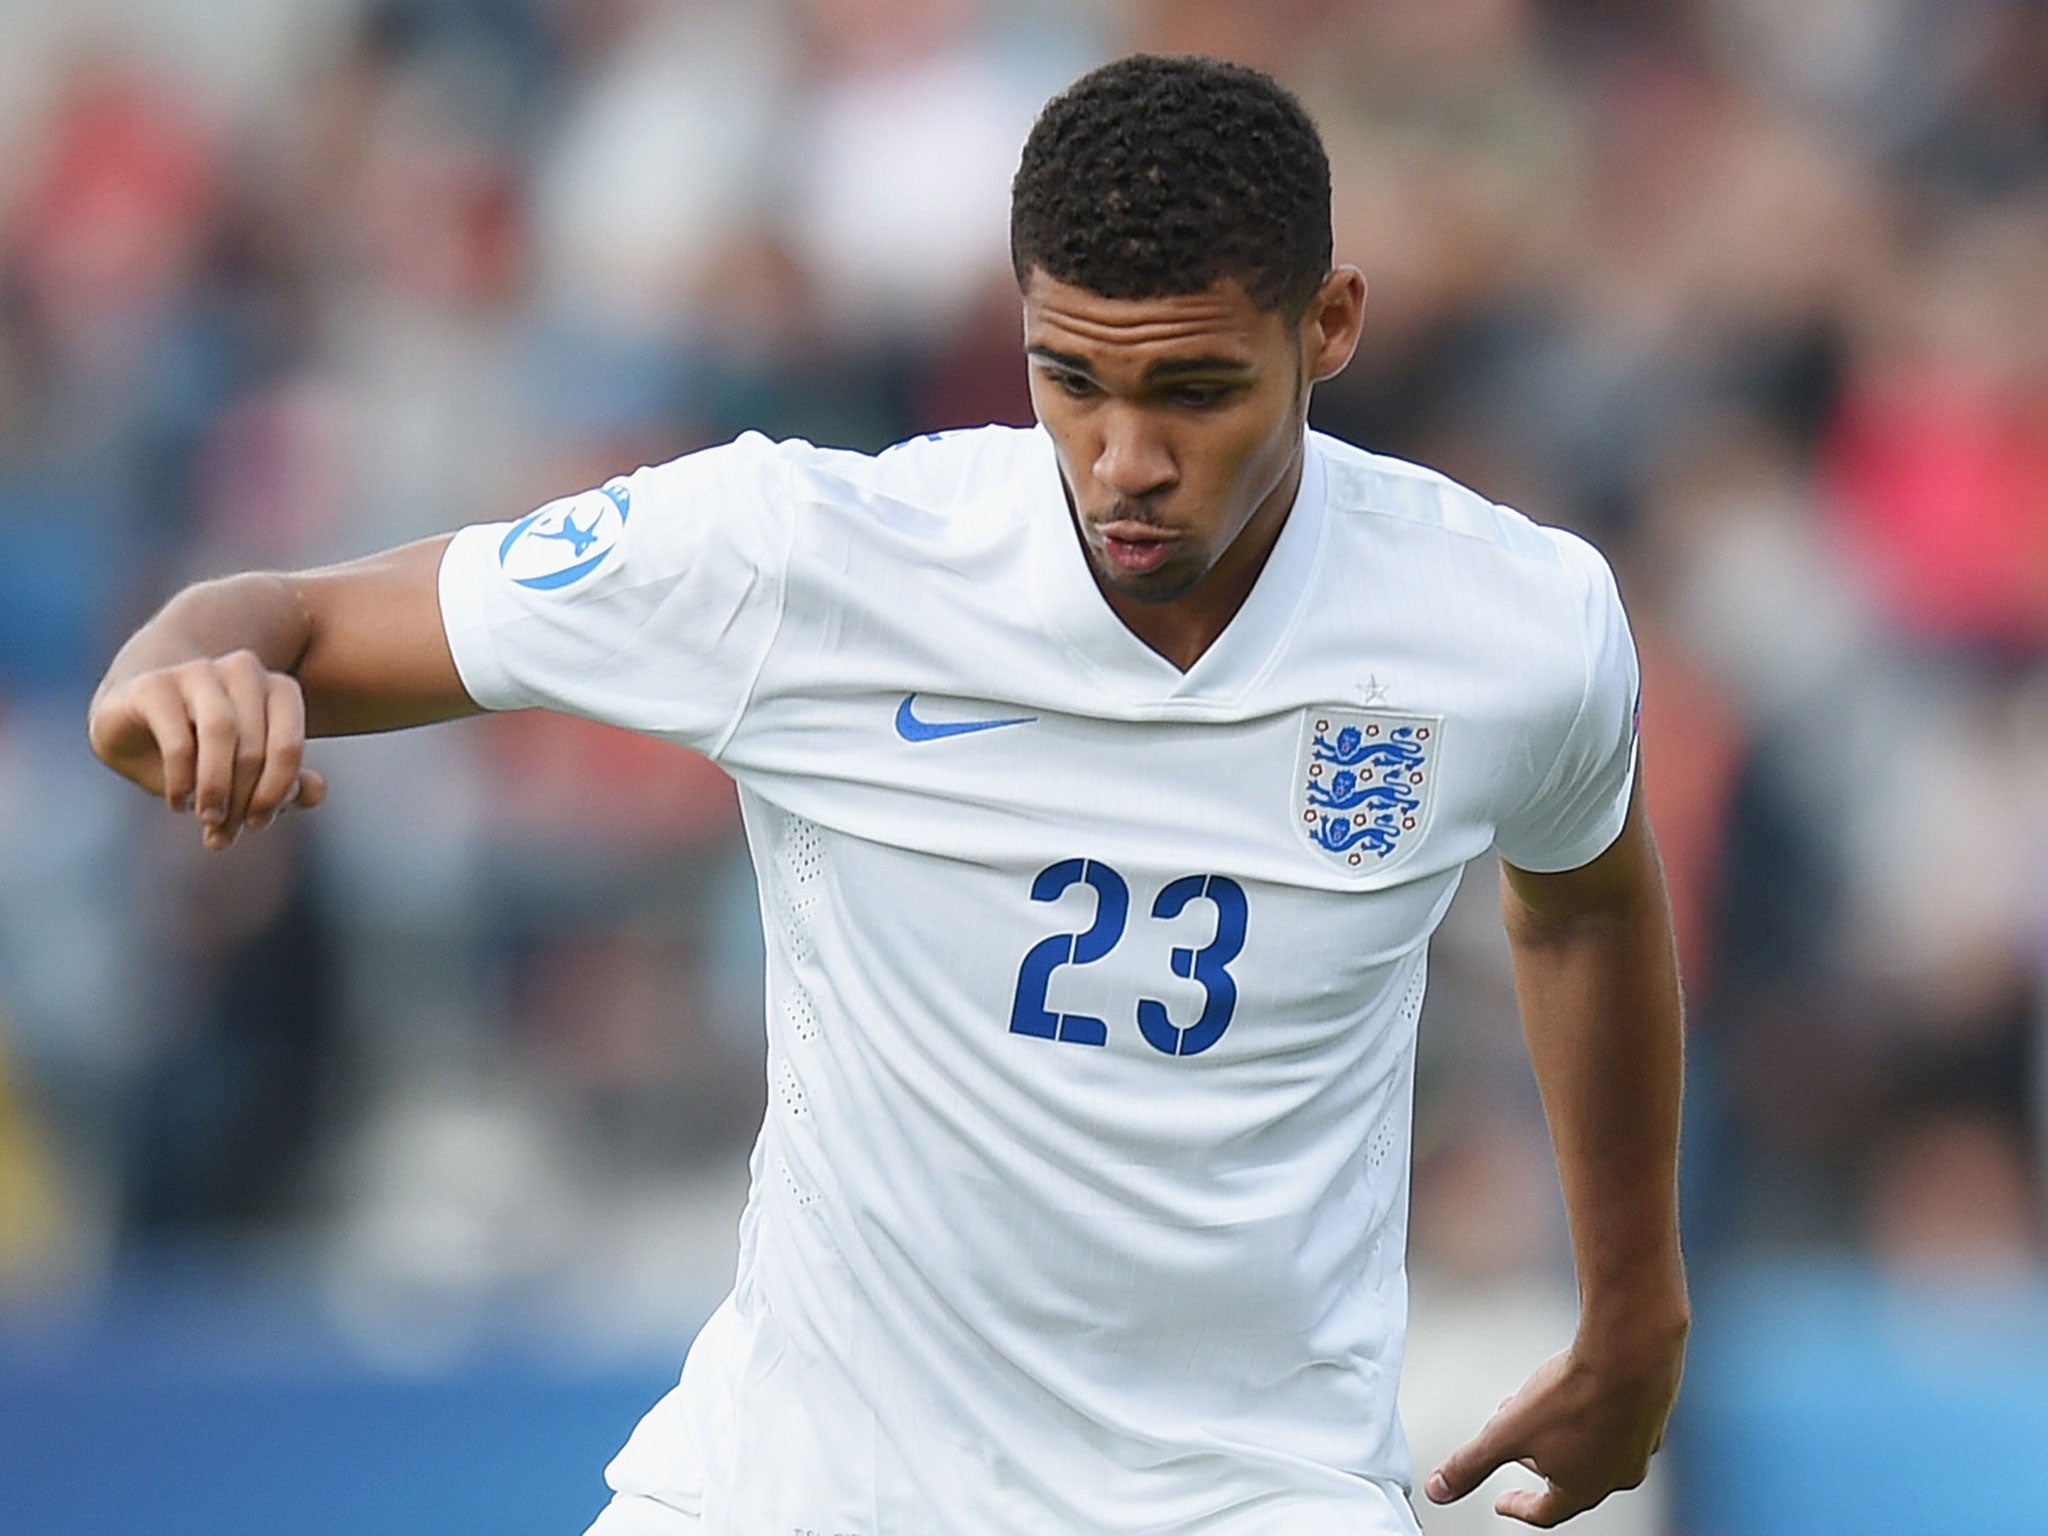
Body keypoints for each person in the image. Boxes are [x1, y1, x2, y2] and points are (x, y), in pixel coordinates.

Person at [88, 53, 1686, 1536]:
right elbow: (287, 613)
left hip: (1247, 1494)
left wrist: (1634, 1303)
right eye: (1071, 378)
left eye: (1195, 391)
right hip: (801, 1487)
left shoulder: (1511, 628)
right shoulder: (809, 558)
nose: (1124, 456)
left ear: (1326, 325)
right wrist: (188, 669)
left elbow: (1587, 898)